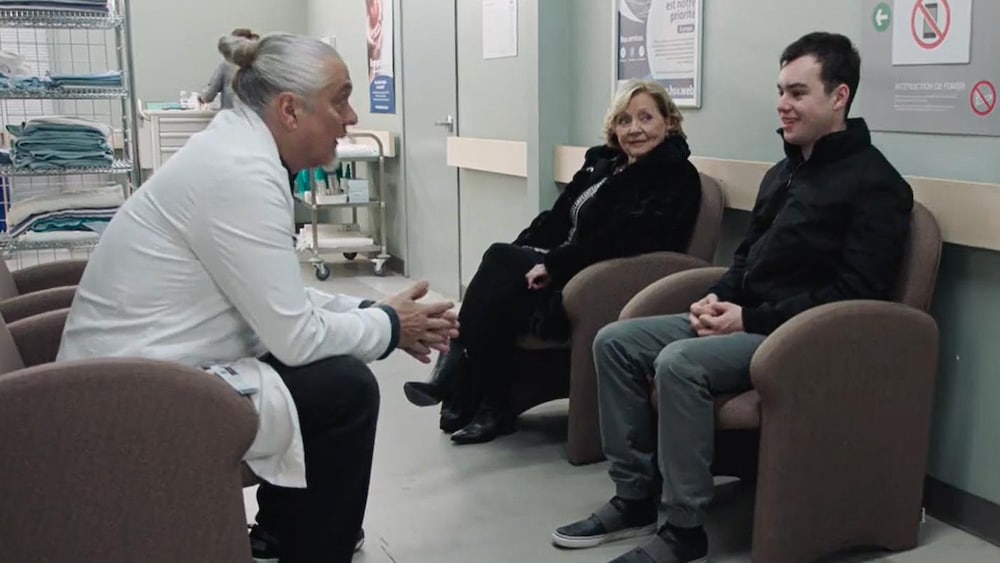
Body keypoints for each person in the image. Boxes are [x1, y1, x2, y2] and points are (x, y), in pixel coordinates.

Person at [57, 33, 458, 563]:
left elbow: (274, 295)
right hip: (126, 398)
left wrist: (371, 311)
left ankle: (283, 533)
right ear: (290, 110)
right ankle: (316, 547)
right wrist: (391, 327)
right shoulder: (241, 173)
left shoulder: (238, 149)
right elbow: (295, 336)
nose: (352, 117)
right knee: (344, 388)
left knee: (324, 372)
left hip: (136, 372)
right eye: (340, 100)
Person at [552, 32, 913, 562]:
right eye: (780, 91)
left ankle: (684, 529)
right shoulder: (784, 172)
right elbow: (745, 258)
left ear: (839, 97)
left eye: (798, 93)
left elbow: (858, 294)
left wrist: (749, 319)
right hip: (745, 320)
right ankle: (635, 496)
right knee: (615, 342)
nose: (782, 105)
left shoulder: (876, 184)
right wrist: (716, 297)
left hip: (795, 337)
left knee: (679, 363)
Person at [402, 79, 704, 445]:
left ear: (668, 122)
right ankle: (478, 393)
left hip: (599, 277)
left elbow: (631, 237)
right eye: (624, 120)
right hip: (564, 261)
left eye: (646, 118)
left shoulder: (674, 174)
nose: (634, 129)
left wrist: (556, 264)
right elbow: (559, 217)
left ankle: (463, 379)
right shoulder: (605, 164)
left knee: (499, 270)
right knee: (501, 272)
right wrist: (526, 249)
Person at [198, 27, 259, 109]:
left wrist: (201, 97)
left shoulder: (226, 65)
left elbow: (210, 95)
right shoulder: (258, 64)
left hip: (231, 112)